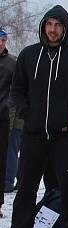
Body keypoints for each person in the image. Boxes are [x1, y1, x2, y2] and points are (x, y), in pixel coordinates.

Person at [1, 5, 68, 228]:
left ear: (65, 28)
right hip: (34, 135)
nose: (53, 30)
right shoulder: (29, 56)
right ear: (43, 26)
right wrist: (29, 116)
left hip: (65, 136)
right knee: (26, 188)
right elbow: (17, 91)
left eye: (58, 25)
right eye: (49, 24)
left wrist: (65, 118)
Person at [0, 27, 15, 216]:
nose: (1, 44)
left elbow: (17, 88)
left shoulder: (12, 62)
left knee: (2, 160)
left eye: (3, 40)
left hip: (2, 117)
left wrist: (7, 105)